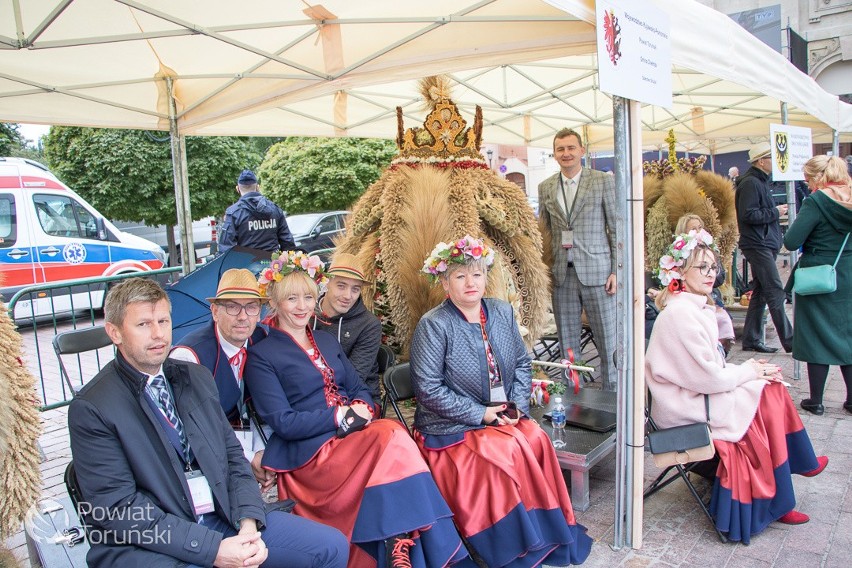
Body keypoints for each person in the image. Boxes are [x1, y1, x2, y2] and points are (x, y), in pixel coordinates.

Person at [68, 278, 348, 567]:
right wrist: (213, 549)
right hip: (153, 545)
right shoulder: (92, 407)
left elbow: (233, 459)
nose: (158, 334)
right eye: (143, 325)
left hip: (222, 518)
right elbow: (119, 510)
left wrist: (249, 523)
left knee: (331, 546)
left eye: (163, 321)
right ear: (114, 332)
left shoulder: (194, 377)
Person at [244, 251, 469, 568]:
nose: (301, 306)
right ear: (276, 302)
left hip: (349, 439)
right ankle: (424, 549)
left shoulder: (325, 341)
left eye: (308, 297)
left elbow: (359, 386)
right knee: (392, 435)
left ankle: (397, 543)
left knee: (392, 439)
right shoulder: (262, 355)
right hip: (310, 454)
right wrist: (339, 416)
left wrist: (362, 405)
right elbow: (283, 423)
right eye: (291, 298)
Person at [410, 235, 593, 567]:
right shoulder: (433, 325)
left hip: (502, 412)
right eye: (460, 275)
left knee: (536, 438)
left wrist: (516, 407)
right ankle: (516, 544)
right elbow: (428, 391)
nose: (470, 282)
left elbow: (523, 364)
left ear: (485, 277)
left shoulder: (501, 311)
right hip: (450, 426)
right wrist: (483, 414)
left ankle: (547, 530)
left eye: (476, 274)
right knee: (504, 452)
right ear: (444, 281)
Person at [646, 231, 828, 544]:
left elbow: (708, 372)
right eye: (701, 267)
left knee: (768, 385)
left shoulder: (693, 307)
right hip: (685, 411)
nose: (710, 273)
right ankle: (787, 489)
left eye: (712, 266)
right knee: (763, 400)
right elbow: (712, 378)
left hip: (695, 397)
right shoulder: (681, 314)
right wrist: (748, 370)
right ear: (679, 272)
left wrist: (752, 372)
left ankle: (794, 476)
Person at [539, 127, 618, 390]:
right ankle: (574, 395)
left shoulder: (602, 181)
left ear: (582, 151)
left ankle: (612, 392)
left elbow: (616, 229)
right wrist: (545, 272)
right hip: (562, 276)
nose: (566, 153)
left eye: (571, 148)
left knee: (608, 339)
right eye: (561, 149)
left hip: (599, 272)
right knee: (568, 343)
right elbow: (545, 232)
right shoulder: (546, 187)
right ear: (554, 154)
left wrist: (617, 270)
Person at [783, 155, 852, 415]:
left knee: (816, 335)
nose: (807, 184)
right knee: (848, 334)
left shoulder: (816, 201)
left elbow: (791, 241)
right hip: (848, 273)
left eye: (808, 178)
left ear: (818, 178)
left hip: (819, 275)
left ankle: (816, 401)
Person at [170, 268, 268, 424]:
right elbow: (188, 424)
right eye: (232, 307)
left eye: (251, 307)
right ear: (215, 312)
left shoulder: (261, 339)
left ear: (259, 314)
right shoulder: (188, 356)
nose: (243, 317)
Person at [735, 141, 793, 353]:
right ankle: (791, 340)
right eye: (771, 158)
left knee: (761, 291)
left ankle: (751, 339)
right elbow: (748, 214)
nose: (774, 162)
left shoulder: (756, 182)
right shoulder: (751, 183)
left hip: (761, 243)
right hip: (757, 243)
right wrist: (775, 212)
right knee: (775, 290)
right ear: (761, 161)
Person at [312, 252, 382, 399]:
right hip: (312, 394)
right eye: (341, 286)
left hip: (358, 396)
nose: (348, 296)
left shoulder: (369, 324)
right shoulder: (306, 314)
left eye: (355, 289)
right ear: (327, 282)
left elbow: (355, 377)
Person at [673, 214, 735, 354]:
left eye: (700, 228)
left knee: (723, 317)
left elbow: (720, 277)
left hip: (710, 296)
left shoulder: (709, 251)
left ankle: (720, 350)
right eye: (693, 228)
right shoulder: (679, 254)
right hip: (688, 294)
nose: (710, 273)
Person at [219, 169, 295, 254]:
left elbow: (226, 248)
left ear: (237, 189)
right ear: (258, 187)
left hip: (246, 265)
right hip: (273, 264)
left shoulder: (233, 213)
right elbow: (288, 242)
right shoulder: (275, 209)